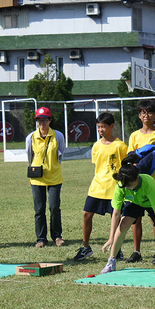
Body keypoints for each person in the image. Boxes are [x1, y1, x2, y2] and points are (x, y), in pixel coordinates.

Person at [73, 112, 128, 261]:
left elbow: (126, 166)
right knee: (86, 214)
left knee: (115, 218)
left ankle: (117, 250)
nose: (101, 130)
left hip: (114, 187)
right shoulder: (96, 145)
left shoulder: (120, 146)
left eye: (103, 127)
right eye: (98, 127)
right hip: (97, 186)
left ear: (111, 126)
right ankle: (85, 248)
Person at [126, 100, 155, 264]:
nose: (146, 115)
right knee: (135, 218)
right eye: (143, 113)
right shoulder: (134, 135)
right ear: (139, 115)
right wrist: (147, 155)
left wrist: (145, 158)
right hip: (136, 184)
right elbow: (131, 158)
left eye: (150, 112)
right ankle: (136, 251)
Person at [26, 107, 66, 248]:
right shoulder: (30, 137)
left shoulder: (58, 136)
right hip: (37, 178)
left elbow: (61, 152)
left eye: (45, 120)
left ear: (50, 120)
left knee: (54, 207)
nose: (42, 123)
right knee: (39, 209)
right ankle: (41, 239)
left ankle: (57, 236)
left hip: (55, 176)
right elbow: (29, 156)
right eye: (39, 120)